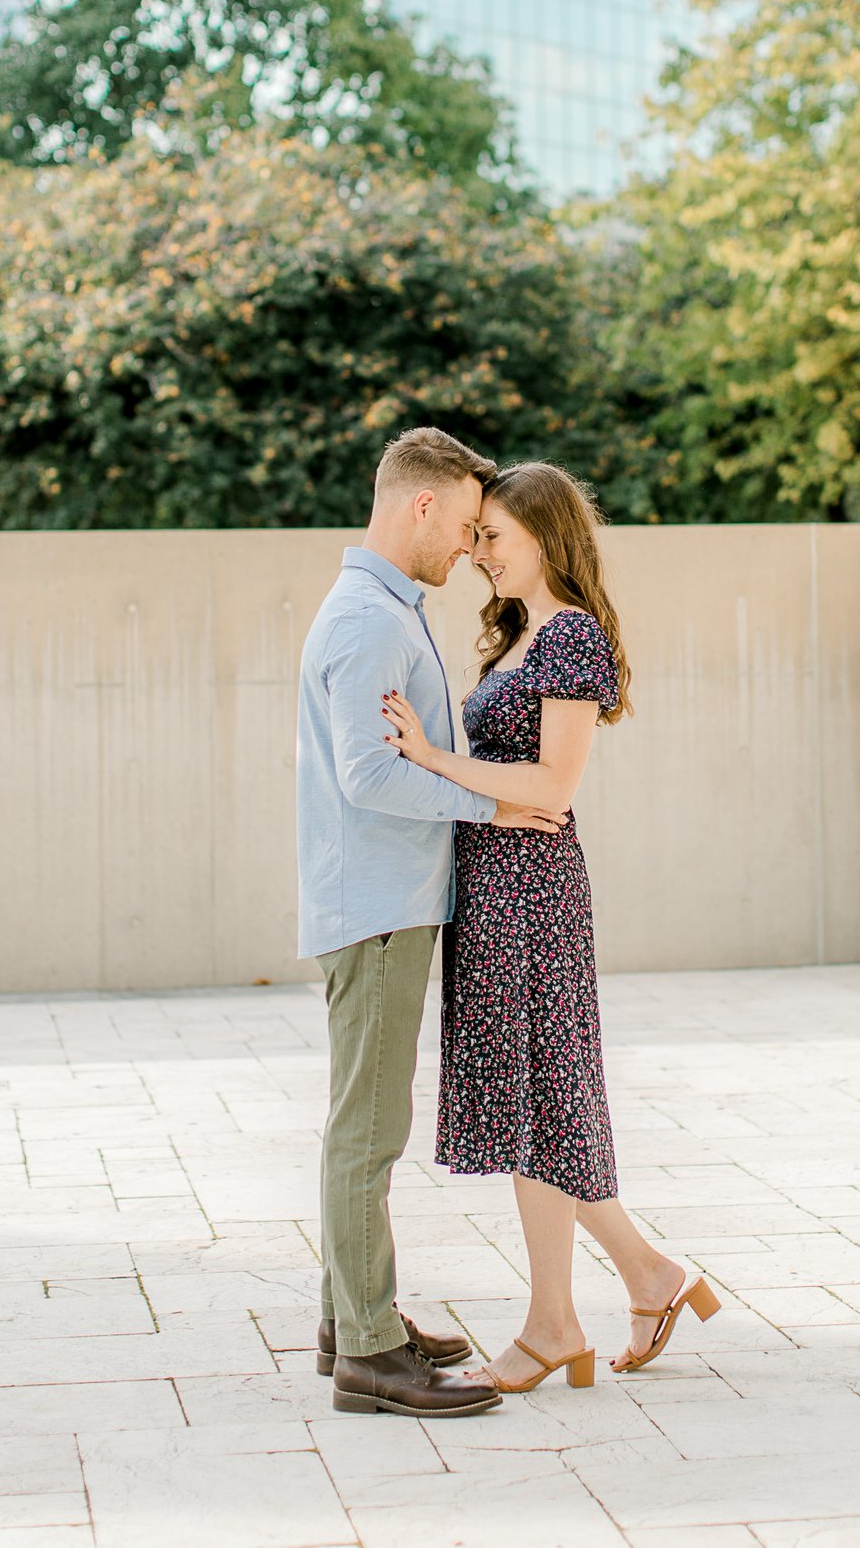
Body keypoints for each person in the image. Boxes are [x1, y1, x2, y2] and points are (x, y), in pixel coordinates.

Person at [382, 461, 720, 1393]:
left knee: (538, 1108)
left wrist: (432, 756)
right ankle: (644, 1278)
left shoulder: (568, 636)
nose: (478, 550)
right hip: (496, 885)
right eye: (477, 533)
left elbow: (554, 787)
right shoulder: (519, 635)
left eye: (494, 534)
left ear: (546, 534)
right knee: (541, 1108)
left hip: (531, 890)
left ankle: (553, 1322)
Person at [296, 426, 566, 1419]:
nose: (465, 550)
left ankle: (351, 1318)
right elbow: (370, 776)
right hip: (377, 909)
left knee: (364, 1124)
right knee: (367, 1133)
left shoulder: (379, 611)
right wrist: (495, 806)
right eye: (460, 526)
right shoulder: (368, 621)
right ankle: (369, 1355)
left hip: (382, 903)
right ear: (420, 508)